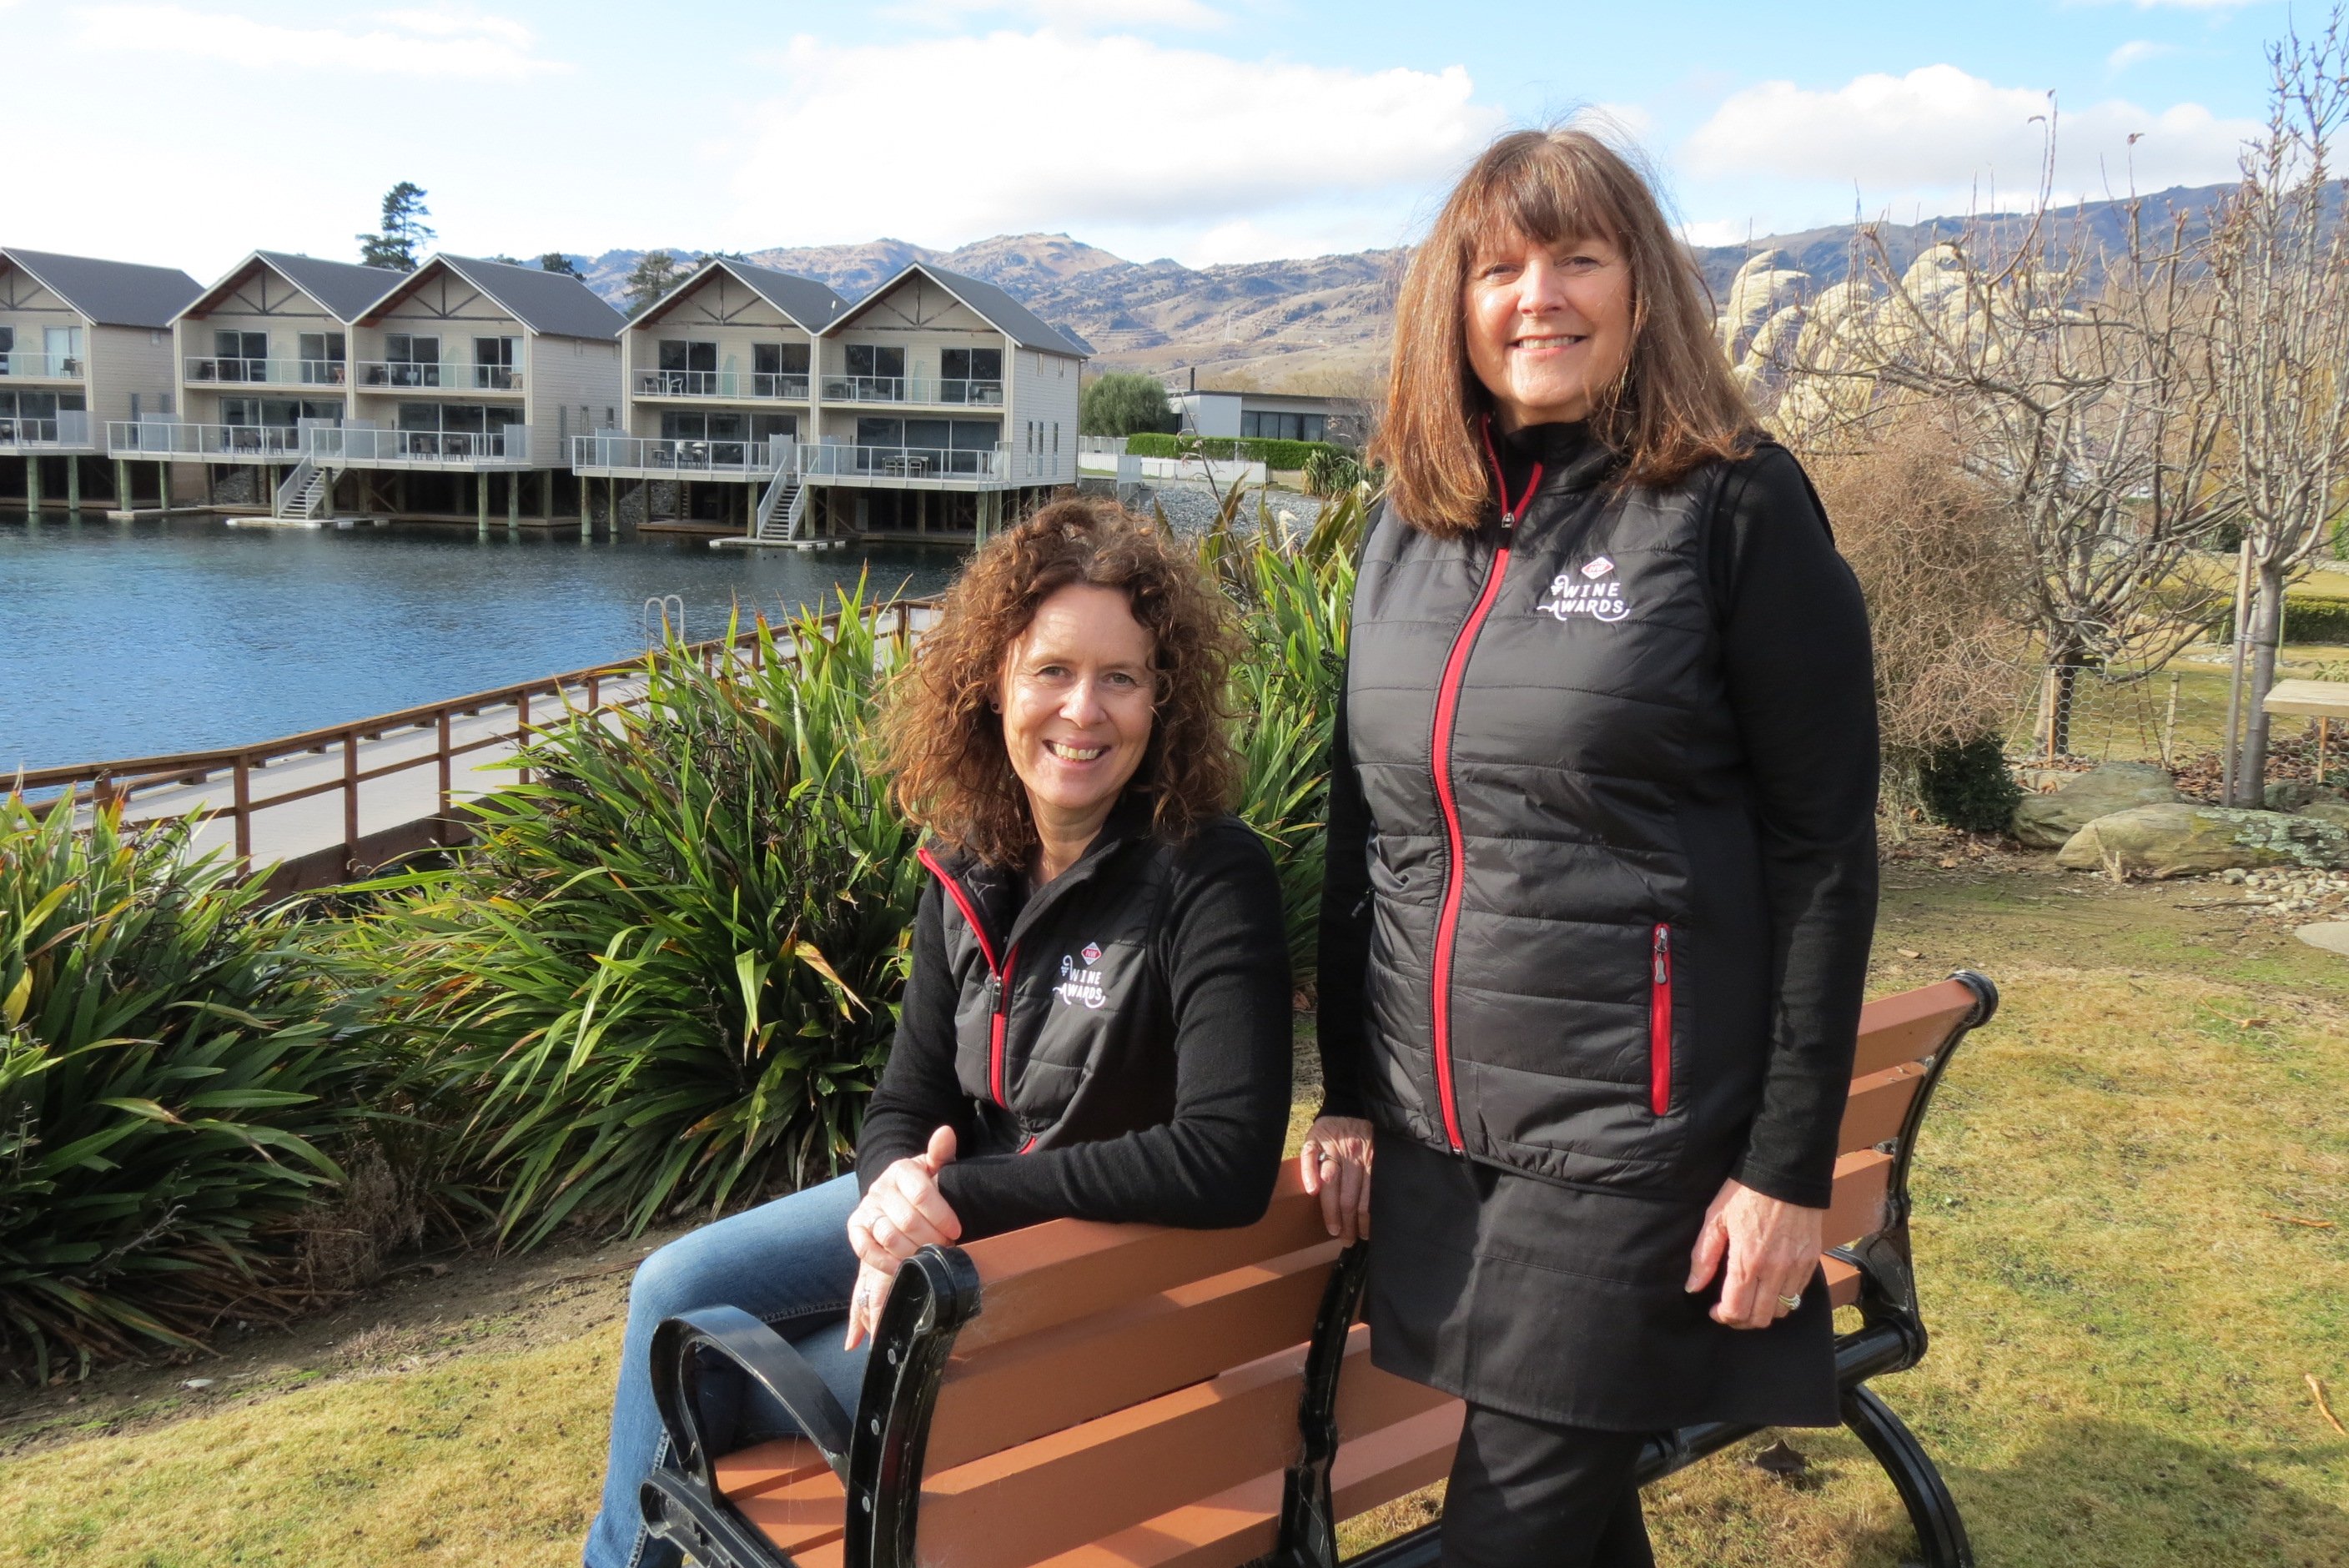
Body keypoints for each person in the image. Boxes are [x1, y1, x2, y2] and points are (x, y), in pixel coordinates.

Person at [1297, 128, 1881, 1568]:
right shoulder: (1406, 529)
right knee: (1568, 1520)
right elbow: (1368, 833)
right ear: (1457, 302)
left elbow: (1821, 849)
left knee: (1504, 1531)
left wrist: (1787, 1168)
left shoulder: (1731, 503)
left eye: (1576, 258)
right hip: (1444, 1136)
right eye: (1498, 266)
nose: (1536, 296)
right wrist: (1352, 1096)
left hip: (1637, 1145)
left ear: (1642, 290)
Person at [584, 498, 1293, 1568]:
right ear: (994, 680)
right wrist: (892, 1202)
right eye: (1051, 669)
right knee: (669, 1293)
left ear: (1164, 697)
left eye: (1120, 677)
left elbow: (1225, 1160)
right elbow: (907, 1101)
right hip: (965, 1236)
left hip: (1089, 1282)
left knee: (704, 1376)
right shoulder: (968, 859)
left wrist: (952, 1204)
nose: (1082, 710)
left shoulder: (1206, 873)